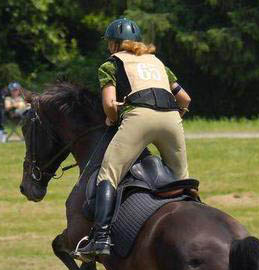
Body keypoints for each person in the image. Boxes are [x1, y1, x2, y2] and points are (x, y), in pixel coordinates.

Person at [78, 17, 192, 257]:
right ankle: (193, 219)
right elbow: (186, 99)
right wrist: (174, 116)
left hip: (139, 118)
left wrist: (113, 117)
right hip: (171, 118)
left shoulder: (110, 64)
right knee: (182, 178)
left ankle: (100, 238)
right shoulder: (158, 62)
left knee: (108, 173)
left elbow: (109, 104)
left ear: (112, 44)